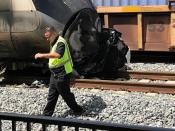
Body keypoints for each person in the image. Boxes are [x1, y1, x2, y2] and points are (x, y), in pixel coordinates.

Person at [34, 26, 84, 116]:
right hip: (55, 73)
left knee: (66, 94)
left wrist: (41, 55)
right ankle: (46, 115)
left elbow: (57, 55)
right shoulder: (54, 41)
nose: (47, 39)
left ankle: (78, 110)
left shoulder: (61, 42)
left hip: (62, 72)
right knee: (52, 95)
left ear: (53, 33)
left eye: (48, 36)